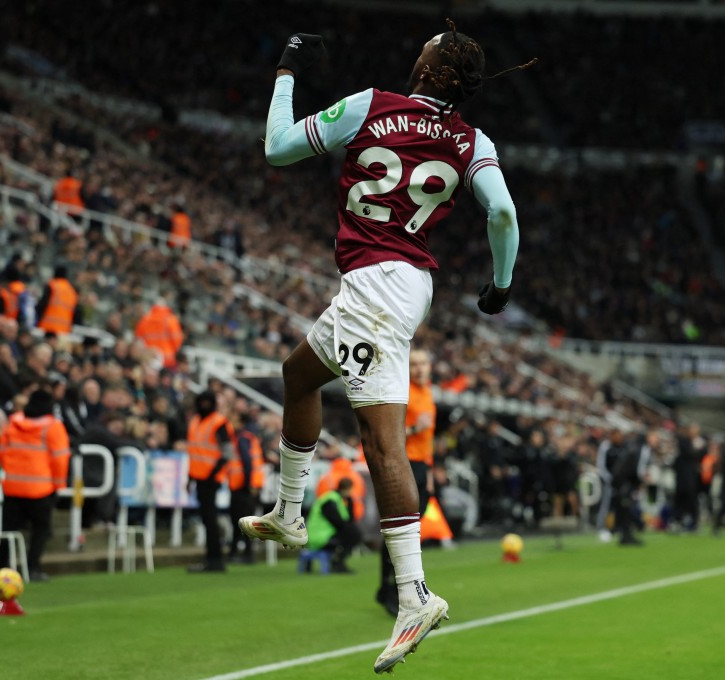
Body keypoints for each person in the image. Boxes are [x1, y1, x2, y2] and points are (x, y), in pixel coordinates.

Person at [239, 24, 522, 673]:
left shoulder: (372, 104)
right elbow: (501, 214)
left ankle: (415, 595)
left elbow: (279, 148)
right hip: (404, 281)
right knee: (298, 375)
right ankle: (288, 512)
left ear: (429, 66)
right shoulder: (474, 143)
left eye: (425, 45)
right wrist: (501, 284)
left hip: (376, 284)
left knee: (381, 444)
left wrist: (286, 71)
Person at [376, 348, 435, 616]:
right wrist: (413, 429)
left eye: (423, 363)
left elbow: (428, 441)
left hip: (421, 467)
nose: (420, 368)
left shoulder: (428, 393)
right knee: (401, 529)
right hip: (404, 464)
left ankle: (389, 588)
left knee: (410, 530)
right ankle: (391, 590)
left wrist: (430, 473)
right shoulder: (403, 391)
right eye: (415, 364)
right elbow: (388, 430)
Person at [0, 389, 71, 581]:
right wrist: (58, 485)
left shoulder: (13, 422)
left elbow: (2, 451)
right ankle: (32, 568)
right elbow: (60, 458)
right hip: (40, 488)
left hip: (12, 486)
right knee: (40, 530)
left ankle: (2, 569)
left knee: (8, 530)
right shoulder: (53, 426)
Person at [185, 390, 235, 573]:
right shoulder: (196, 422)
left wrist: (213, 473)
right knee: (207, 519)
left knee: (210, 519)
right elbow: (194, 452)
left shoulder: (218, 422)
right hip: (199, 477)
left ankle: (214, 559)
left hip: (210, 478)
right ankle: (212, 558)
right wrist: (190, 477)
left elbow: (227, 452)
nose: (204, 405)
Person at [222, 416, 265, 563]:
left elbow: (247, 462)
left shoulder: (242, 439)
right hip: (250, 486)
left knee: (239, 522)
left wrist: (247, 485)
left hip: (243, 487)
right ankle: (242, 554)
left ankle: (241, 554)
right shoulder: (250, 438)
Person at [305, 477, 362, 573]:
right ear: (347, 489)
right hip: (320, 538)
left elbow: (348, 521)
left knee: (353, 532)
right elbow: (338, 522)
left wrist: (350, 503)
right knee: (354, 535)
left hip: (321, 535)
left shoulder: (335, 499)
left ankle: (337, 562)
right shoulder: (331, 500)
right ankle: (338, 563)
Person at [134, 299, 185, 370]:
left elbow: (138, 340)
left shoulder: (144, 320)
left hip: (150, 358)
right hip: (168, 359)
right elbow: (177, 340)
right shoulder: (171, 320)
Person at [36, 266, 80, 335]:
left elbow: (42, 305)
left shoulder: (52, 285)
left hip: (47, 328)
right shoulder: (72, 291)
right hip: (64, 331)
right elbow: (76, 313)